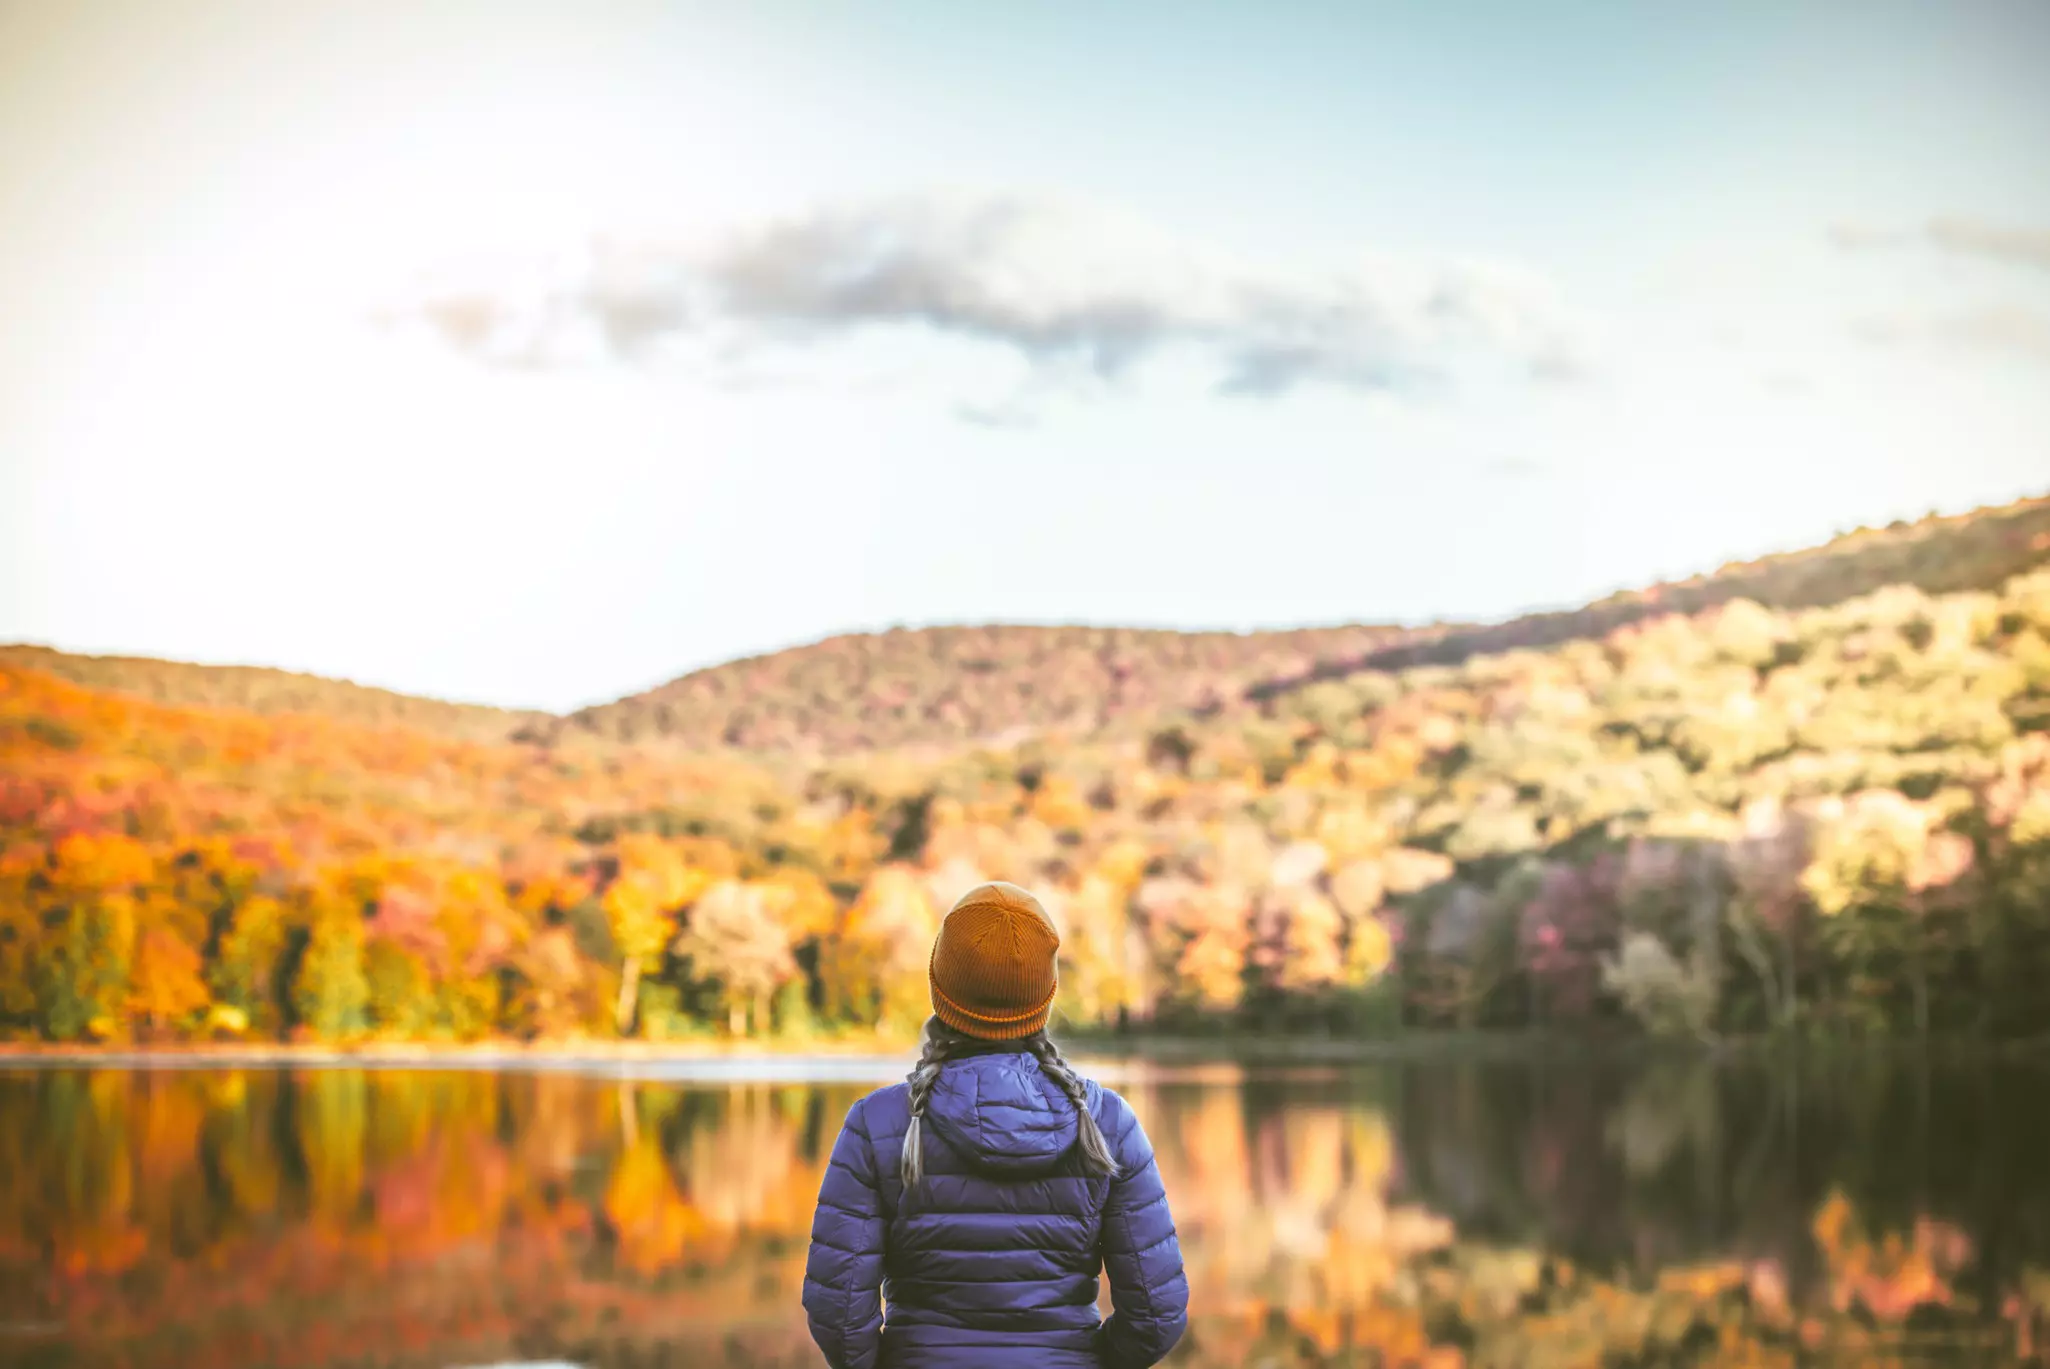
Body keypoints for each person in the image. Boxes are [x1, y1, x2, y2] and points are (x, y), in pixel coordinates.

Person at [802, 880, 1189, 1369]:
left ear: (940, 991)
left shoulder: (879, 1124)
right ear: (1045, 998)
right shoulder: (1107, 1121)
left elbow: (838, 1313)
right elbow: (1157, 1316)